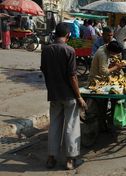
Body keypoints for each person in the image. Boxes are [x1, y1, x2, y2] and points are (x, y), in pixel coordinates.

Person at [40, 22, 87, 170]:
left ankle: (51, 158)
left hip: (54, 94)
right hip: (69, 95)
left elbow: (44, 70)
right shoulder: (70, 50)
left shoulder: (46, 50)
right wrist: (79, 96)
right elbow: (72, 76)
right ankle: (70, 160)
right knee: (71, 126)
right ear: (68, 35)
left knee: (54, 125)